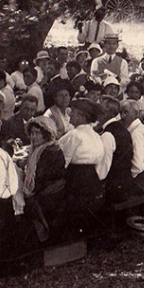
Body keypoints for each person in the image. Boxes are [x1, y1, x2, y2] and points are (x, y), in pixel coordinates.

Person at [58, 99, 107, 237]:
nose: (70, 116)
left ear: (82, 116)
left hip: (76, 181)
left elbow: (63, 161)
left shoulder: (75, 135)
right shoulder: (96, 136)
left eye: (73, 113)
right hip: (93, 180)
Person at [21, 117, 68, 243]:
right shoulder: (40, 149)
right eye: (31, 133)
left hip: (51, 196)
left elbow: (39, 181)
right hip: (50, 192)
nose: (33, 137)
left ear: (46, 135)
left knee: (22, 202)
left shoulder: (49, 151)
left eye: (37, 133)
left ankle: (39, 239)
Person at [120, 99, 144, 194]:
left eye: (126, 112)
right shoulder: (140, 129)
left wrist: (126, 178)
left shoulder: (136, 133)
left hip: (142, 180)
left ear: (136, 114)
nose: (122, 116)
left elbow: (138, 166)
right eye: (121, 112)